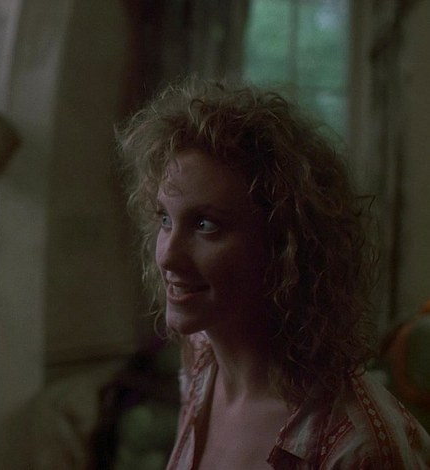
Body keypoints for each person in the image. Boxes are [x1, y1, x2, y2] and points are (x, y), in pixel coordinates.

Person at [116, 77, 430, 469]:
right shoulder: (200, 354)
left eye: (206, 225)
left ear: (284, 246)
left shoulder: (361, 448)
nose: (167, 257)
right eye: (166, 219)